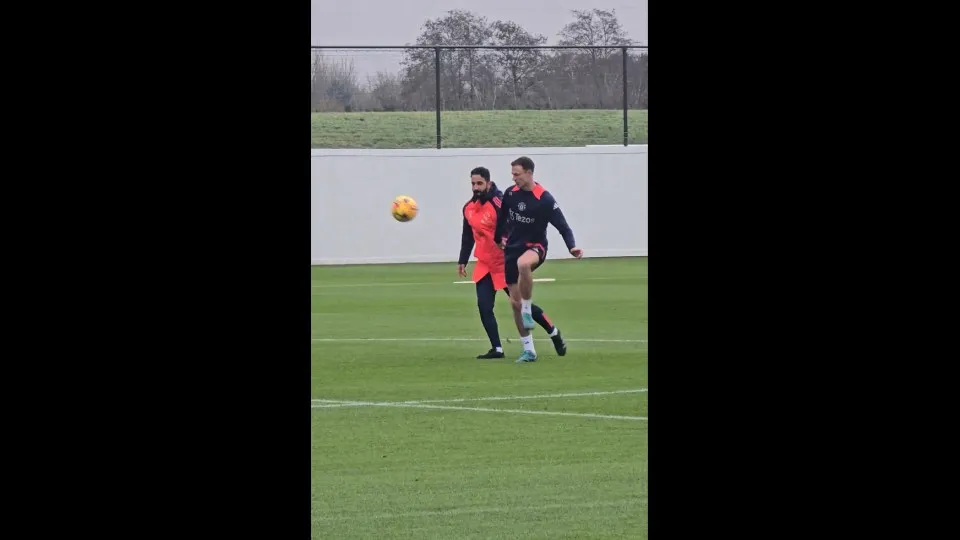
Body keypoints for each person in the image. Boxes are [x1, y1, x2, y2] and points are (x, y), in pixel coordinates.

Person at [458, 166, 567, 359]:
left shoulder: (499, 201)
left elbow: (513, 222)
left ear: (488, 183)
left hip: (504, 261)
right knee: (484, 306)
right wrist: (462, 260)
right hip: (485, 263)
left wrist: (509, 240)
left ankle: (553, 331)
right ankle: (497, 349)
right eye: (473, 183)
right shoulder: (469, 208)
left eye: (480, 183)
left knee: (519, 304)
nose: (476, 187)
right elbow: (468, 236)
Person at [494, 156, 583, 363]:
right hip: (512, 249)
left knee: (523, 264)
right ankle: (529, 350)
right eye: (512, 174)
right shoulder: (510, 194)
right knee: (513, 303)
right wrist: (499, 238)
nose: (514, 178)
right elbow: (502, 218)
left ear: (529, 172)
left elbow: (563, 226)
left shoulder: (544, 199)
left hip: (535, 247)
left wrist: (572, 246)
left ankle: (528, 307)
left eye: (517, 174)